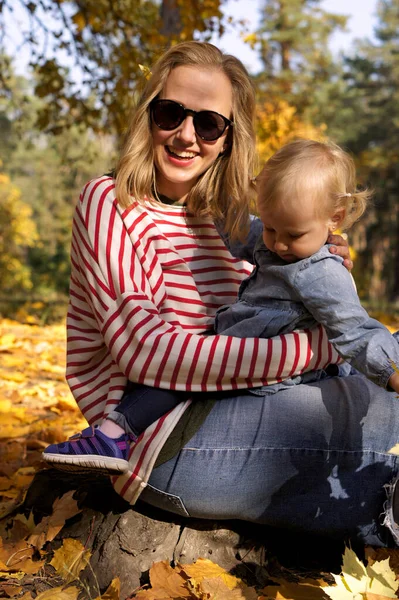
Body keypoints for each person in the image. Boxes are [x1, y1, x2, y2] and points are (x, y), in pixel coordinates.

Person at [42, 41, 399, 547]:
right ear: (148, 117)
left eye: (207, 123)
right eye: (170, 114)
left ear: (229, 137)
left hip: (252, 399)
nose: (187, 136)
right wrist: (321, 345)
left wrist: (318, 264)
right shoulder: (109, 201)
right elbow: (149, 353)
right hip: (160, 437)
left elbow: (279, 304)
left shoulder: (231, 220)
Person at [215, 138, 399, 394]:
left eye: (294, 235)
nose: (278, 244)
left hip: (287, 380)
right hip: (244, 363)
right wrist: (212, 195)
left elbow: (355, 329)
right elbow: (238, 229)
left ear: (335, 218)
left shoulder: (321, 270)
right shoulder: (275, 240)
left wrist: (392, 372)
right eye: (270, 228)